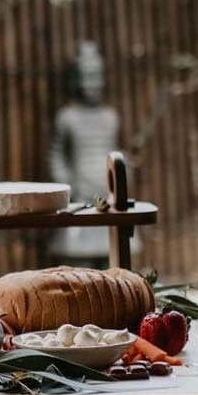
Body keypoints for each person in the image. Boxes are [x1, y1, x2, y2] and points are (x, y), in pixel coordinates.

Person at [49, 41, 120, 263]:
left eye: (96, 77)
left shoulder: (110, 117)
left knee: (113, 257)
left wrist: (123, 172)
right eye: (87, 77)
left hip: (107, 196)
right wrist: (66, 185)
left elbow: (114, 152)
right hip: (79, 197)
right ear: (75, 79)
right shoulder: (67, 117)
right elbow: (56, 156)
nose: (92, 84)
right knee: (78, 265)